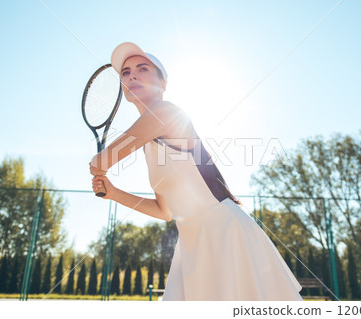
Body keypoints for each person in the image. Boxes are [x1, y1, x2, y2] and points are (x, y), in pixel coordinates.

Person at [90, 42, 303, 301]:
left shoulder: (166, 112)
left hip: (224, 232)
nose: (132, 75)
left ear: (163, 83)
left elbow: (103, 161)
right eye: (125, 72)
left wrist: (98, 163)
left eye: (142, 68)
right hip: (192, 242)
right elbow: (164, 211)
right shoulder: (147, 145)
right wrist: (113, 193)